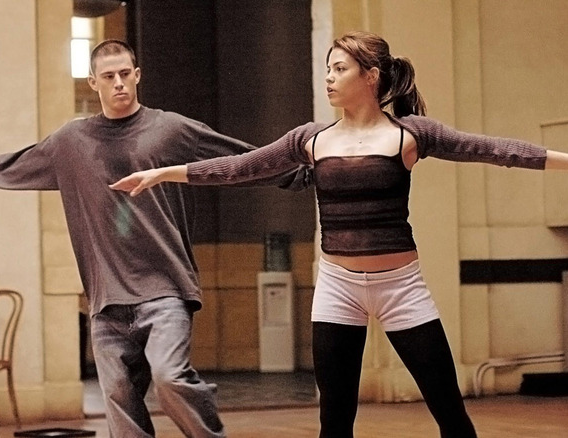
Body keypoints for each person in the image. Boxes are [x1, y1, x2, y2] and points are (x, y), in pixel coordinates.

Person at [110, 30, 568, 438]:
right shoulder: (310, 139)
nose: (328, 78)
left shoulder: (410, 134)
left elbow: (493, 149)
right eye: (327, 69)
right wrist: (165, 173)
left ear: (370, 77)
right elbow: (239, 168)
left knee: (447, 407)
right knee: (336, 416)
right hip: (337, 289)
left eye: (339, 69)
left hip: (401, 289)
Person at [0, 39, 308, 438]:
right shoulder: (70, 143)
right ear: (93, 82)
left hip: (165, 289)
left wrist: (299, 171)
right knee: (120, 402)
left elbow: (239, 160)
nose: (118, 83)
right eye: (108, 76)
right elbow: (11, 165)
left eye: (124, 74)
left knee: (170, 379)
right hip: (106, 300)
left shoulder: (172, 129)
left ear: (137, 76)